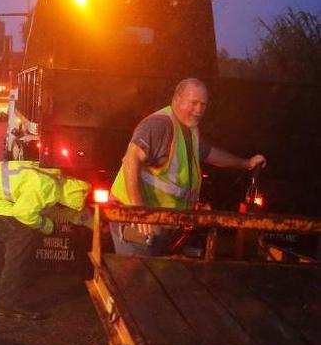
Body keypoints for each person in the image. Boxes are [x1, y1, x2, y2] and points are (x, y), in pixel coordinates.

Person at [110, 78, 266, 256]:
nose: (199, 110)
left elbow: (208, 153)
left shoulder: (188, 129)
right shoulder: (160, 125)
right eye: (193, 103)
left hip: (159, 223)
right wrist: (138, 210)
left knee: (153, 276)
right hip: (133, 221)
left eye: (203, 105)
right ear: (177, 99)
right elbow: (130, 160)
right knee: (136, 279)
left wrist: (246, 163)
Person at [0, 160, 90, 321]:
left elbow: (47, 209)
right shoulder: (49, 188)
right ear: (69, 202)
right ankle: (8, 304)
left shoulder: (56, 178)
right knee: (22, 236)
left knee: (10, 233)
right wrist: (48, 227)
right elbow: (24, 214)